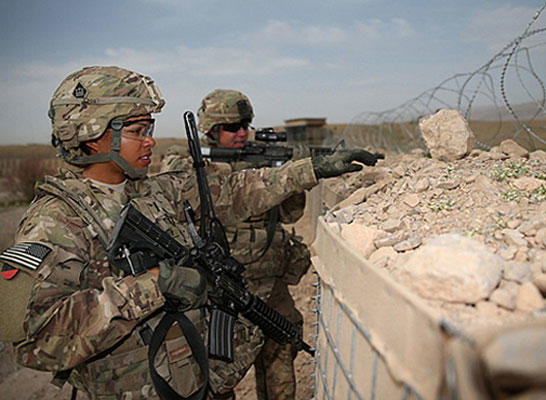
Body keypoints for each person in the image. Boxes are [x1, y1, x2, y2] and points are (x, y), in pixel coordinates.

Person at [0, 66, 379, 400]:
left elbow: (238, 190)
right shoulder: (55, 220)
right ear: (92, 134)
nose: (150, 140)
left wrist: (312, 168)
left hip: (194, 380)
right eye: (137, 130)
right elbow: (36, 339)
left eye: (149, 128)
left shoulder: (156, 189)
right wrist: (155, 284)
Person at [161, 89, 310, 400]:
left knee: (280, 361)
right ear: (212, 130)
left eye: (245, 125)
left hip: (270, 287)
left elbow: (290, 213)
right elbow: (184, 200)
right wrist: (248, 177)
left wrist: (289, 179)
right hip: (221, 289)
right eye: (232, 127)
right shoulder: (192, 164)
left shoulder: (261, 160)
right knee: (218, 371)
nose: (242, 133)